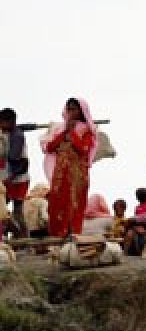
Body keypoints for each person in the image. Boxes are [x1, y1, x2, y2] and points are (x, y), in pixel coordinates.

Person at [41, 97, 98, 238]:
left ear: (81, 111)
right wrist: (65, 131)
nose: (70, 111)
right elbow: (49, 147)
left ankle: (73, 235)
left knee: (75, 204)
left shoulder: (88, 130)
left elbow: (83, 149)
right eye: (69, 108)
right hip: (60, 175)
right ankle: (56, 236)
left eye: (74, 109)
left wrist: (72, 132)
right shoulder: (60, 129)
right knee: (56, 203)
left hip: (78, 175)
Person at [0, 108, 30, 238]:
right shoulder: (4, 134)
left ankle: (22, 237)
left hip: (18, 180)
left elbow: (23, 164)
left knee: (17, 212)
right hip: (6, 178)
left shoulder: (18, 137)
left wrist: (10, 178)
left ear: (11, 122)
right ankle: (18, 235)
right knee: (3, 210)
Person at [125, 187, 146, 256]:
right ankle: (125, 252)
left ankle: (129, 251)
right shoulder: (138, 208)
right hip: (138, 227)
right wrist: (136, 226)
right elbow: (136, 219)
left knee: (134, 232)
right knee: (130, 232)